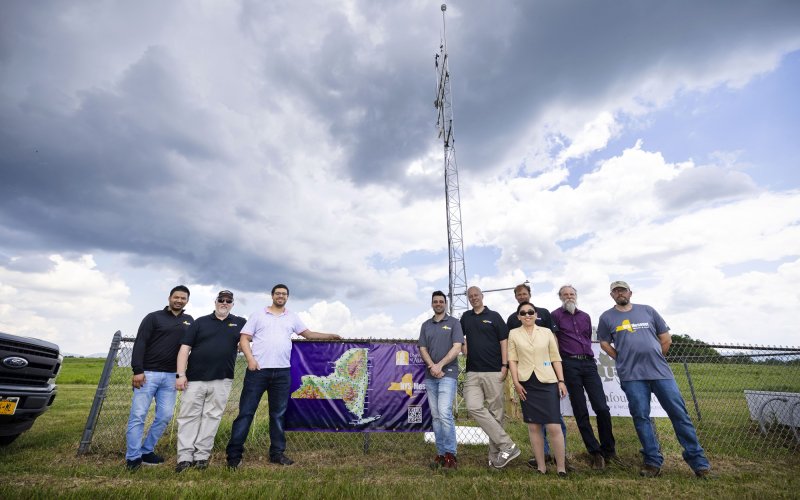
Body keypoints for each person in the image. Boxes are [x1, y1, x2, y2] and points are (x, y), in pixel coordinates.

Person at [597, 281, 711, 478]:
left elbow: (666, 338)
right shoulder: (607, 317)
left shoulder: (648, 311)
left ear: (630, 293)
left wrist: (655, 357)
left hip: (660, 373)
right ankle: (652, 461)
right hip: (632, 376)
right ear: (611, 295)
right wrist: (621, 357)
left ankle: (699, 463)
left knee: (679, 415)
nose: (620, 293)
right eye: (615, 291)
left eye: (622, 290)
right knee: (642, 418)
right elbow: (604, 343)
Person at [225, 284, 341, 469]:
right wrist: (250, 359)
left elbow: (308, 334)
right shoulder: (258, 315)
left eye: (284, 294)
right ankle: (234, 455)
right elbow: (244, 339)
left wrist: (330, 335)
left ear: (287, 297)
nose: (280, 296)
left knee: (277, 415)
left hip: (282, 372)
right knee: (246, 413)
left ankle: (277, 453)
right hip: (258, 371)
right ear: (272, 296)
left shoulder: (292, 317)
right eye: (277, 293)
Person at [174, 290, 246, 472]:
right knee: (188, 417)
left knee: (211, 418)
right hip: (195, 379)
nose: (224, 303)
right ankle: (184, 457)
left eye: (228, 301)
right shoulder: (200, 322)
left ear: (232, 304)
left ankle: (201, 456)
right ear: (215, 302)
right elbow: (184, 349)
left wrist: (242, 344)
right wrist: (181, 375)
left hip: (222, 380)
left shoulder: (240, 323)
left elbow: (252, 337)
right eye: (221, 300)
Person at [126, 285, 193, 471]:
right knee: (138, 416)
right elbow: (140, 343)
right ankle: (132, 457)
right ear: (170, 298)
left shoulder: (189, 321)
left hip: (172, 376)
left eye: (183, 298)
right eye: (176, 297)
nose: (179, 300)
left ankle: (147, 451)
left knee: (165, 416)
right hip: (148, 374)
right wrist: (137, 370)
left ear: (187, 301)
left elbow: (191, 346)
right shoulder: (153, 317)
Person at [551, 284, 616, 470]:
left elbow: (587, 336)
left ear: (576, 296)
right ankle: (594, 452)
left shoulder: (585, 316)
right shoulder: (555, 315)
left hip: (588, 363)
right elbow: (555, 340)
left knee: (602, 408)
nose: (569, 297)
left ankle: (609, 450)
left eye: (571, 294)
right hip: (569, 364)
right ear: (560, 297)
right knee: (581, 411)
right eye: (565, 295)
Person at [505, 283, 568, 468]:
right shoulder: (513, 332)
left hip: (547, 381)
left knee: (554, 424)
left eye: (530, 313)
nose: (527, 315)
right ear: (518, 316)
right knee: (534, 426)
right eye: (523, 313)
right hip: (527, 383)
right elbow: (512, 359)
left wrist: (561, 380)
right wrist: (515, 382)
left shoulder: (547, 331)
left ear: (536, 314)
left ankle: (561, 465)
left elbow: (555, 356)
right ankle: (541, 465)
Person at [461, 286, 520, 468]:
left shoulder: (494, 316)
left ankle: (496, 457)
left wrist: (505, 365)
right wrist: (464, 347)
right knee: (473, 407)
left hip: (494, 370)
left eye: (476, 295)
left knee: (497, 413)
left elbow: (504, 341)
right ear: (469, 299)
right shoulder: (465, 317)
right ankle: (508, 445)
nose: (474, 298)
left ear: (482, 296)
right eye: (470, 296)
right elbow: (459, 336)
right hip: (472, 371)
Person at [418, 290, 465, 470]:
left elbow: (457, 347)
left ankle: (451, 454)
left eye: (441, 301)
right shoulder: (426, 325)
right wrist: (432, 366)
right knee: (436, 417)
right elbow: (422, 348)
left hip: (448, 374)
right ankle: (440, 453)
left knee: (445, 414)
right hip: (431, 376)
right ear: (432, 304)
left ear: (445, 304)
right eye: (435, 301)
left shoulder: (454, 323)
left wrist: (440, 366)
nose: (438, 304)